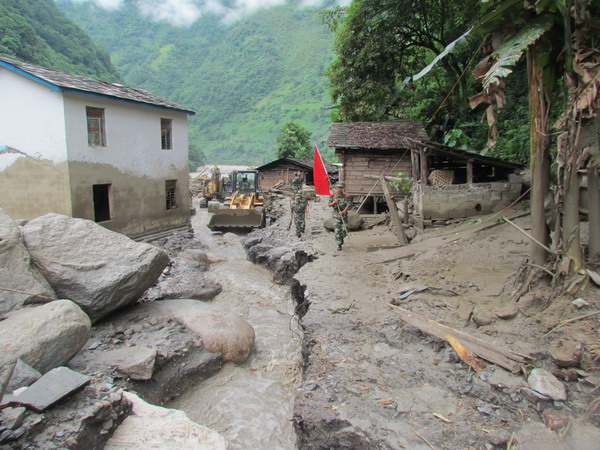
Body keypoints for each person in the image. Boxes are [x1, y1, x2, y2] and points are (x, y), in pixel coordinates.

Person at [328, 183, 351, 250]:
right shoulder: (332, 196)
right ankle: (339, 244)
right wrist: (334, 202)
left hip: (344, 215)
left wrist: (343, 211)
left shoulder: (346, 196)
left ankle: (341, 238)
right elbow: (329, 205)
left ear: (343, 188)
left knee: (345, 229)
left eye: (341, 188)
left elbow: (348, 205)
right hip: (336, 215)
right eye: (338, 188)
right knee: (337, 230)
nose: (340, 189)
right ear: (336, 188)